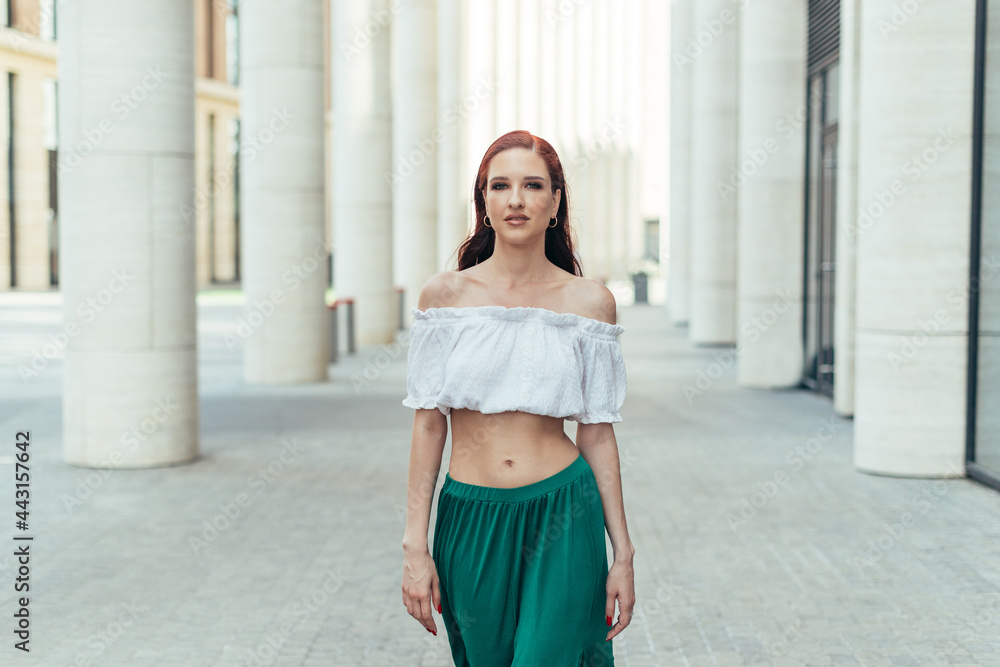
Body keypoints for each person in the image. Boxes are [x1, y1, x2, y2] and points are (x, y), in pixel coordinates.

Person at [400, 130, 635, 666]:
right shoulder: (445, 298)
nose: (516, 199)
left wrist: (622, 552)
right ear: (483, 201)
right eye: (499, 185)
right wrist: (415, 544)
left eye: (534, 185)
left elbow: (597, 433)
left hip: (564, 514)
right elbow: (428, 424)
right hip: (470, 517)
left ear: (555, 202)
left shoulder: (590, 303)